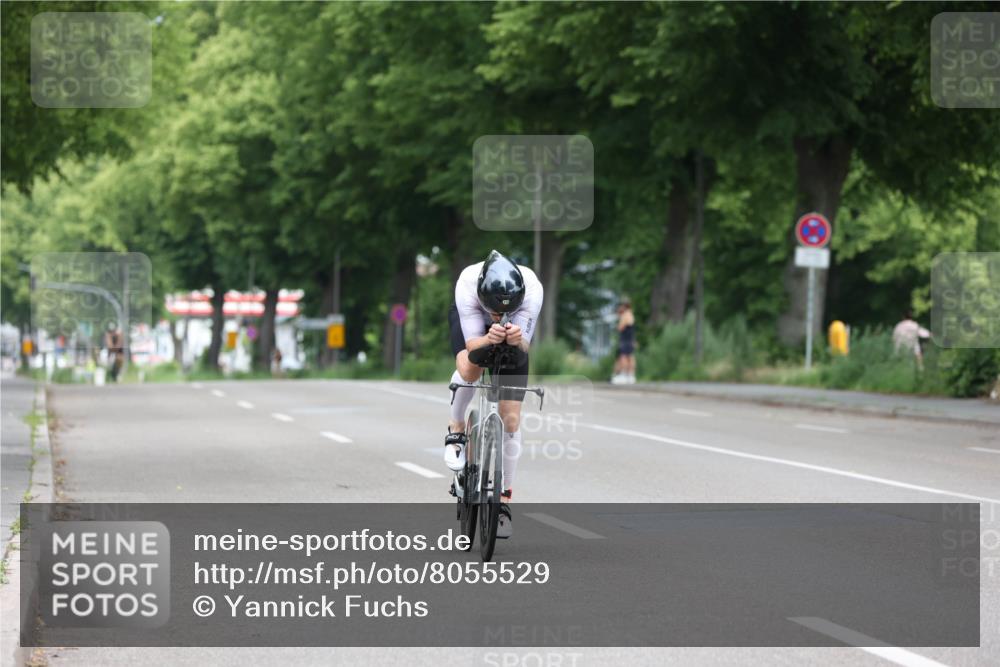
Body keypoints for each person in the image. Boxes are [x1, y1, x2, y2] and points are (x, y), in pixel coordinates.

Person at [444, 250, 543, 539]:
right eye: (495, 312)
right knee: (470, 371)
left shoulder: (532, 290)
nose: (499, 317)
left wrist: (517, 339)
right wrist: (488, 337)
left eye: (504, 312)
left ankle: (504, 502)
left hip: (513, 333)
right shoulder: (467, 285)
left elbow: (524, 347)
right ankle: (457, 427)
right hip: (475, 328)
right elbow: (470, 351)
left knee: (510, 418)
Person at [611, 299, 636, 385]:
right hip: (630, 338)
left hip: (625, 339)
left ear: (623, 306)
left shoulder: (625, 315)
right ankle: (631, 375)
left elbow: (620, 328)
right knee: (630, 356)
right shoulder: (630, 314)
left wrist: (619, 318)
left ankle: (624, 374)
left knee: (624, 357)